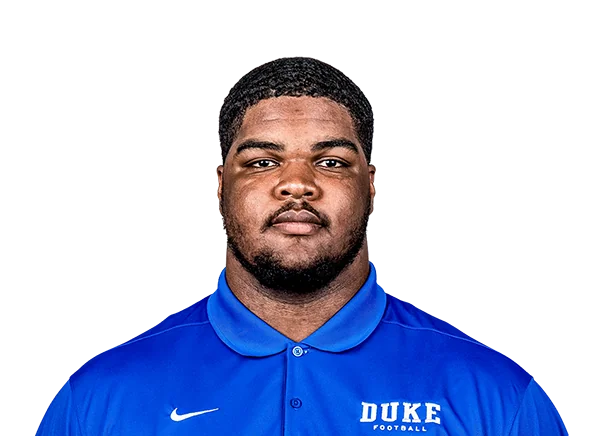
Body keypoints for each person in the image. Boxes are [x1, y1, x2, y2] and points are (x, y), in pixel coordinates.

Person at [36, 56, 569, 435]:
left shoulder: (496, 396)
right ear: (220, 188)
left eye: (330, 161)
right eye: (263, 161)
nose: (297, 184)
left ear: (371, 186)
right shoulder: (98, 399)